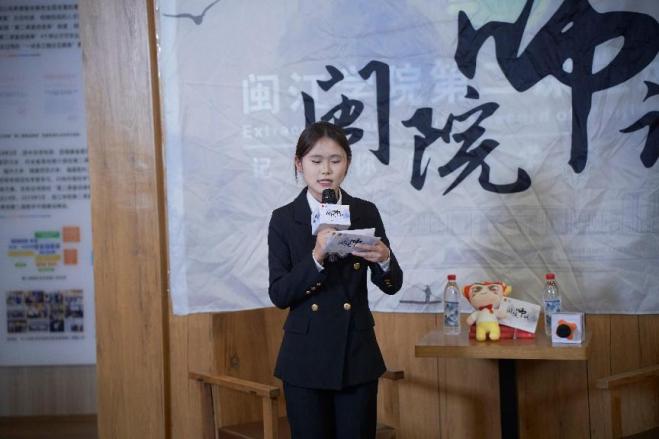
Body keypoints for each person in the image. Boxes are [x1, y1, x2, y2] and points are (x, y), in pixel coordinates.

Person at [268, 121, 403, 438]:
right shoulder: (284, 218)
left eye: (335, 160)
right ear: (299, 163)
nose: (325, 170)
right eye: (316, 160)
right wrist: (316, 256)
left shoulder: (365, 211)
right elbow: (279, 294)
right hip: (305, 357)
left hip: (355, 354)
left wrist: (385, 259)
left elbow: (392, 284)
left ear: (347, 163)